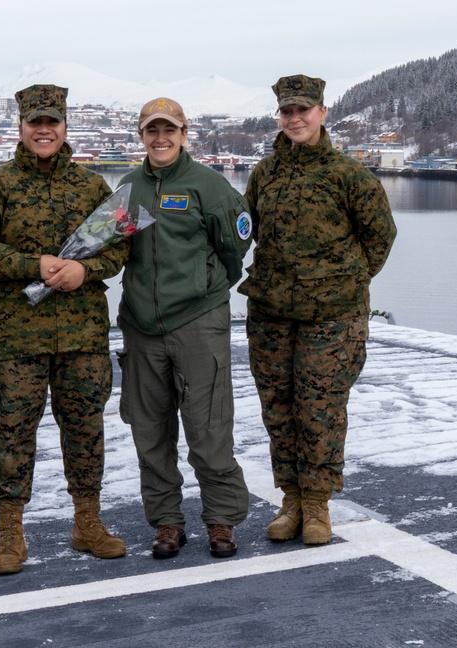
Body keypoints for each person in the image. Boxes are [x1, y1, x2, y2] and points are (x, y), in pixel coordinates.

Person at [0, 84, 126, 576]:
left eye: (52, 122)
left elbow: (121, 246)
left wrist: (85, 272)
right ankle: (11, 534)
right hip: (17, 338)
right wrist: (33, 263)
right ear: (21, 127)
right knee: (13, 435)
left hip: (82, 338)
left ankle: (87, 523)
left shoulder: (93, 187)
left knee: (86, 431)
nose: (44, 130)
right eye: (36, 122)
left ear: (65, 127)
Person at [240, 75, 397, 545]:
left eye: (303, 110)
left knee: (321, 409)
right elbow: (247, 229)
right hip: (271, 312)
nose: (295, 119)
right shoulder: (264, 173)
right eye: (287, 112)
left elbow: (380, 237)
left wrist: (346, 281)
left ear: (322, 113)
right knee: (279, 407)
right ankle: (291, 499)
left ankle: (317, 506)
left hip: (333, 316)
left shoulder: (350, 176)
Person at [115, 98, 251, 560]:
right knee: (150, 432)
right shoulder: (129, 186)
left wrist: (207, 287)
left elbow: (235, 246)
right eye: (151, 130)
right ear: (141, 135)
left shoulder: (207, 185)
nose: (160, 138)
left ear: (184, 133)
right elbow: (113, 245)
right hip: (141, 327)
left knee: (208, 427)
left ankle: (221, 520)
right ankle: (167, 523)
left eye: (168, 130)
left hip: (197, 323)